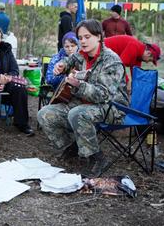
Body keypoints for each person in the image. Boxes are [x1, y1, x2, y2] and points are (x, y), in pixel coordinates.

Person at [38, 19, 129, 177]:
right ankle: (71, 147)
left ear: (99, 36)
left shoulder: (111, 61)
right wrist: (63, 65)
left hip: (112, 108)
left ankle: (96, 158)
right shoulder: (81, 54)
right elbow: (71, 59)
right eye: (80, 38)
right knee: (44, 114)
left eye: (87, 37)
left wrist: (78, 85)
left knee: (77, 113)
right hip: (82, 103)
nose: (83, 41)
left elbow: (104, 94)